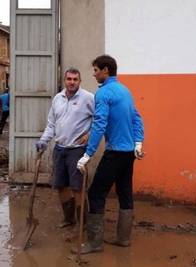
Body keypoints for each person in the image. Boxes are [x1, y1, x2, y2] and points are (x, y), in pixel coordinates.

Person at [75, 55, 144, 254]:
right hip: (129, 153)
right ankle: (123, 239)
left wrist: (88, 154)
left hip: (115, 153)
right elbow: (137, 118)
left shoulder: (104, 93)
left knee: (96, 193)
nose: (94, 73)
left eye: (96, 70)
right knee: (124, 193)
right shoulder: (125, 90)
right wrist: (138, 143)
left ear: (106, 70)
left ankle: (95, 243)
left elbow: (99, 124)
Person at [35, 68, 94, 228]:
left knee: (77, 186)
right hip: (59, 149)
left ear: (79, 81)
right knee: (60, 185)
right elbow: (51, 124)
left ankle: (83, 222)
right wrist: (43, 141)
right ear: (64, 80)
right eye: (69, 79)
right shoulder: (57, 99)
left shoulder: (88, 98)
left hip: (77, 149)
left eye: (75, 79)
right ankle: (69, 219)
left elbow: (100, 118)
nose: (72, 82)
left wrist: (90, 134)